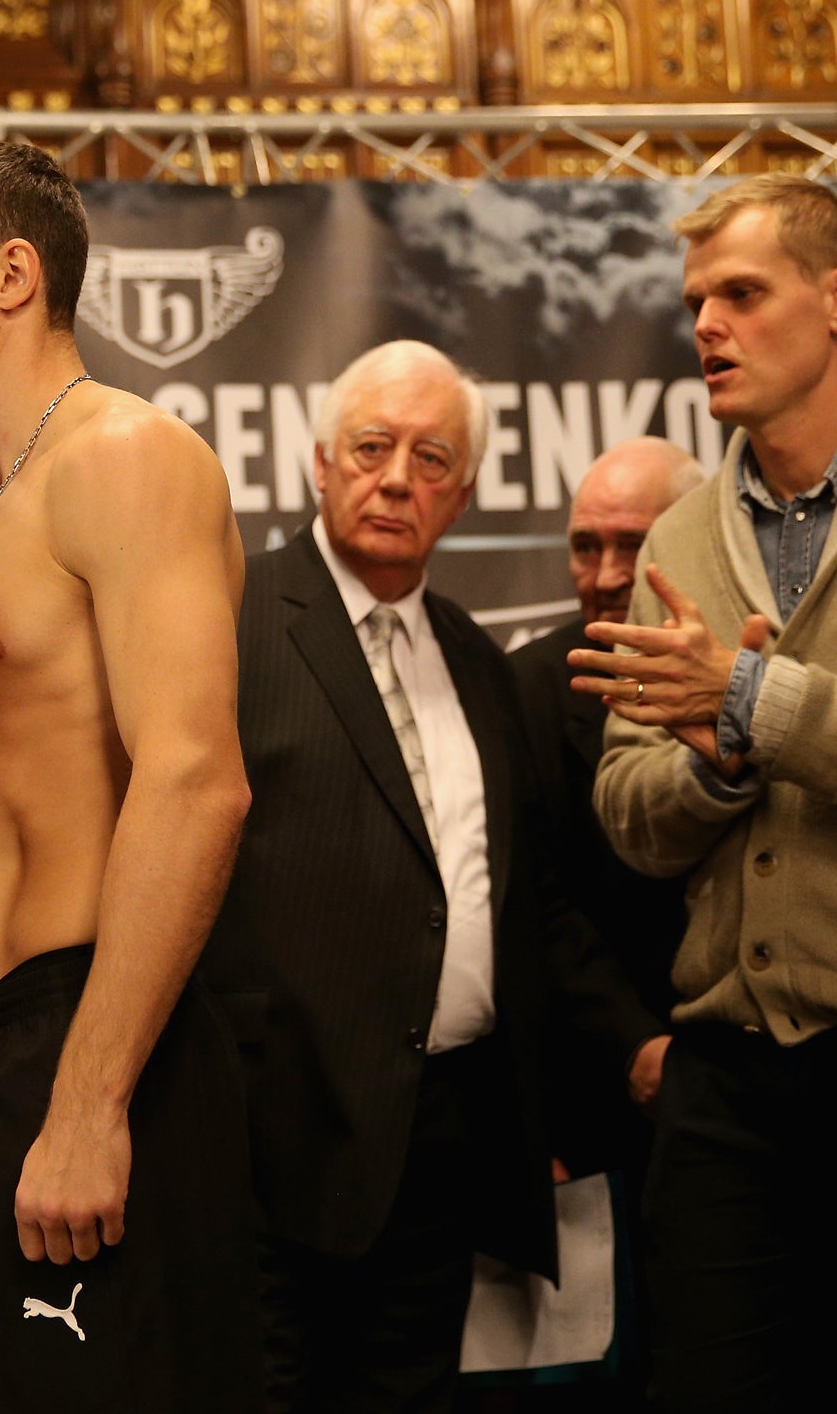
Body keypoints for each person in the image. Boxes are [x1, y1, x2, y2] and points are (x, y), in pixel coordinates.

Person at [0, 140, 261, 1413]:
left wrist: (89, 1102)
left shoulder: (122, 457)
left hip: (101, 1041)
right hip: (5, 1050)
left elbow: (196, 781)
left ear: (12, 275)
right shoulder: (17, 497)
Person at [198, 341, 666, 1413]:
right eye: (371, 448)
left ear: (460, 493)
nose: (396, 477)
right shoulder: (229, 619)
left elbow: (519, 898)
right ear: (319, 462)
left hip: (445, 1151)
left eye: (430, 458)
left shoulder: (472, 657)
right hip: (272, 1155)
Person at [584, 173, 837, 1411]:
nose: (705, 327)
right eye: (694, 302)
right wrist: (714, 763)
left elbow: (738, 701)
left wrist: (747, 704)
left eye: (741, 293)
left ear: (833, 302)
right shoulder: (678, 535)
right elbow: (626, 811)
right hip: (723, 1084)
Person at [511, 439, 703, 1182]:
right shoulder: (522, 688)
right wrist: (634, 1045)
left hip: (766, 1080)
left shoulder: (761, 668)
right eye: (585, 547)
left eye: (635, 545)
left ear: (690, 539)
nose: (607, 576)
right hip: (589, 1095)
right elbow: (533, 900)